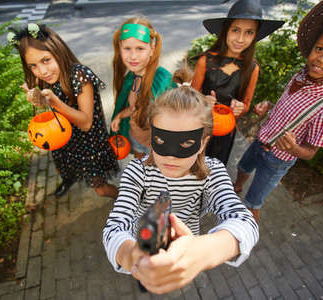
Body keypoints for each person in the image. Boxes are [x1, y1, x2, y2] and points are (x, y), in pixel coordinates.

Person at [234, 0, 323, 222]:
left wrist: (294, 148)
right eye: (320, 49)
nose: (322, 59)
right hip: (261, 139)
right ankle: (236, 187)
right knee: (243, 166)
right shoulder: (301, 75)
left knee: (254, 201)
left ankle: (244, 230)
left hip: (278, 159)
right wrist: (268, 107)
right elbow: (287, 107)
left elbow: (311, 151)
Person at [103, 87, 259, 294]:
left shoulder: (212, 174)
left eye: (186, 142)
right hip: (141, 241)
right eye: (161, 140)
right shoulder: (137, 172)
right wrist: (133, 255)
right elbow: (114, 228)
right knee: (147, 279)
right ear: (152, 136)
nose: (172, 156)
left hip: (187, 243)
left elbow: (245, 222)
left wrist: (204, 251)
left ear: (203, 143)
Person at [8, 23, 119, 198]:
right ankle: (68, 179)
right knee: (64, 169)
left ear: (58, 51)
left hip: (88, 145)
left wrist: (54, 101)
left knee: (101, 189)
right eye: (33, 66)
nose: (42, 71)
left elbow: (86, 123)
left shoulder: (79, 76)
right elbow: (39, 93)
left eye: (46, 60)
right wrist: (35, 95)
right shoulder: (45, 77)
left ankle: (130, 201)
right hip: (62, 138)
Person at [191, 0, 284, 166]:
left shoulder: (252, 68)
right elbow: (190, 96)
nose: (240, 39)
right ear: (226, 30)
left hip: (225, 131)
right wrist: (202, 101)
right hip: (199, 126)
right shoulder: (205, 61)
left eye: (249, 32)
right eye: (236, 30)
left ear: (255, 35)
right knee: (192, 164)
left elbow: (246, 104)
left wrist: (240, 109)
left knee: (213, 170)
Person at [110, 17, 176, 159]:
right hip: (137, 138)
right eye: (127, 49)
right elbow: (136, 107)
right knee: (141, 170)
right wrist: (120, 115)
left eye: (140, 48)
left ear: (152, 49)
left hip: (157, 146)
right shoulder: (131, 78)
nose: (133, 56)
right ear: (119, 49)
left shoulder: (162, 80)